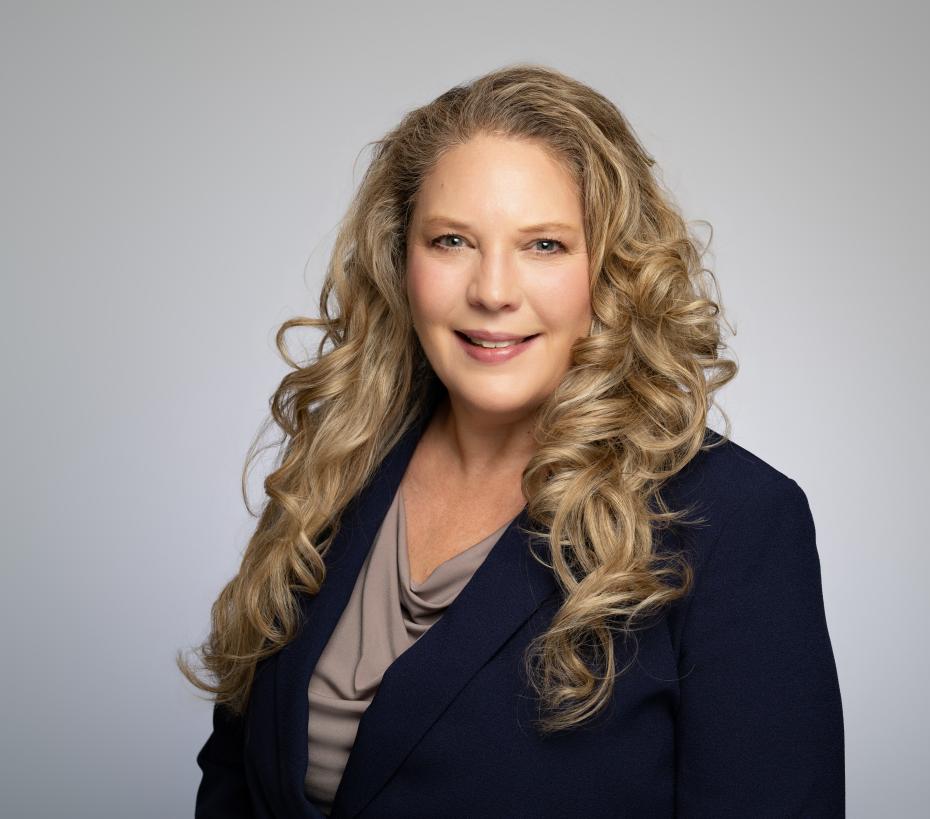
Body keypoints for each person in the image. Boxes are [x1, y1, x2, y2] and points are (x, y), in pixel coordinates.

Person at [179, 63, 845, 818]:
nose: (493, 290)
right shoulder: (332, 471)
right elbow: (235, 780)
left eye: (545, 245)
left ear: (611, 268)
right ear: (403, 261)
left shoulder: (735, 521)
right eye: (453, 239)